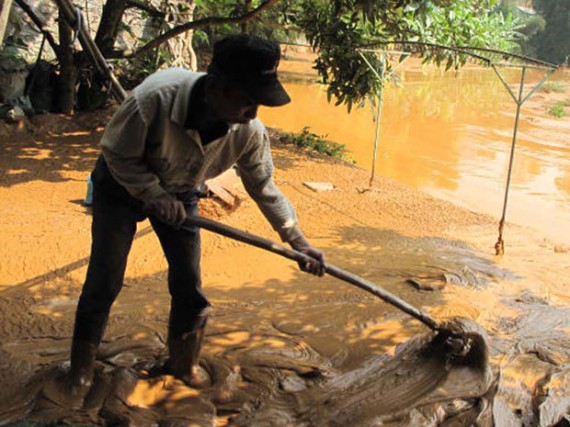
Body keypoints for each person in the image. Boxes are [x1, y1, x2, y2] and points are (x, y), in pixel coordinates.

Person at [67, 34, 326, 392]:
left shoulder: (248, 131)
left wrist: (298, 240)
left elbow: (264, 188)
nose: (253, 114)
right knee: (104, 280)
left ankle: (182, 365)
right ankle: (80, 370)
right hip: (121, 186)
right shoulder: (153, 99)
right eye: (246, 102)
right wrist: (152, 193)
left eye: (258, 105)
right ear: (216, 86)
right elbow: (116, 152)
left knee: (190, 285)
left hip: (182, 190)